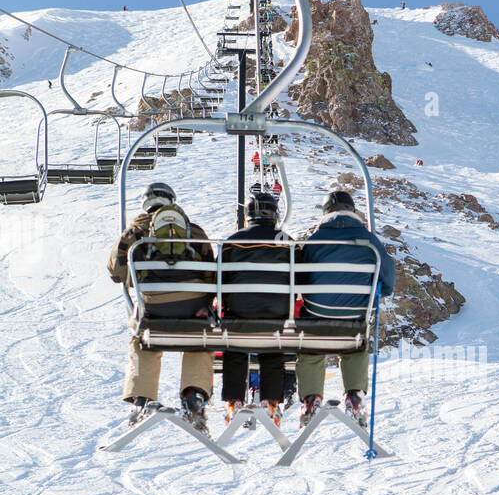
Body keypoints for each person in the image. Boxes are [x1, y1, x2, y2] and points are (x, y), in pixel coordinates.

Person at [108, 180, 215, 429]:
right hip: (192, 310)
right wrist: (204, 302)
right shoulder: (193, 231)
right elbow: (212, 274)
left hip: (153, 311)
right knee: (200, 338)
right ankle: (194, 397)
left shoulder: (135, 232)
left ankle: (142, 398)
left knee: (142, 339)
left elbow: (115, 272)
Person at [295, 189, 395, 427]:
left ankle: (311, 397)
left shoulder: (315, 240)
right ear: (352, 211)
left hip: (318, 317)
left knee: (310, 349)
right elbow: (388, 282)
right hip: (355, 321)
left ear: (325, 213)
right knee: (357, 344)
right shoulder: (370, 241)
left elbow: (299, 280)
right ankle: (354, 394)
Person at [220, 187, 294, 425]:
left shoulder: (232, 242)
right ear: (274, 214)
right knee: (272, 350)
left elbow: (220, 280)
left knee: (236, 348)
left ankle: (234, 400)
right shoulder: (286, 241)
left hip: (239, 316)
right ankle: (271, 400)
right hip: (277, 316)